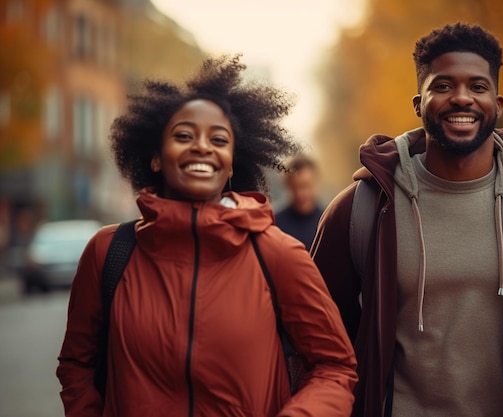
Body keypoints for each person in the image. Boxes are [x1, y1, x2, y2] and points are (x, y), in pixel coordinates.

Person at [311, 23, 503, 417]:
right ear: (418, 103)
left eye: (477, 87)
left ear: (497, 103)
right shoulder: (360, 211)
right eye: (442, 86)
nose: (462, 98)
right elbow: (313, 340)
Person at [57, 55, 357, 417]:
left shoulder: (277, 254)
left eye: (218, 139)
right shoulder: (109, 253)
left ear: (231, 163)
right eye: (184, 135)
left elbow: (334, 365)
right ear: (155, 157)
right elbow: (77, 364)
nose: (202, 146)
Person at [275, 154, 325, 251]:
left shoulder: (328, 221)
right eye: (294, 187)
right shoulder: (275, 224)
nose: (300, 194)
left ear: (316, 182)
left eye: (305, 186)